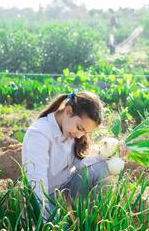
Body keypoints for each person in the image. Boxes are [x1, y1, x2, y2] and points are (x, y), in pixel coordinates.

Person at [21, 91, 126, 221]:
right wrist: (44, 221)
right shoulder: (39, 134)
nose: (79, 136)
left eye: (84, 132)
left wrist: (112, 154)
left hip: (64, 192)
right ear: (68, 111)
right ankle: (68, 221)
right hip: (45, 198)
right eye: (79, 127)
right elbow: (36, 183)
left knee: (103, 167)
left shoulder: (70, 130)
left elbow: (82, 165)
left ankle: (94, 221)